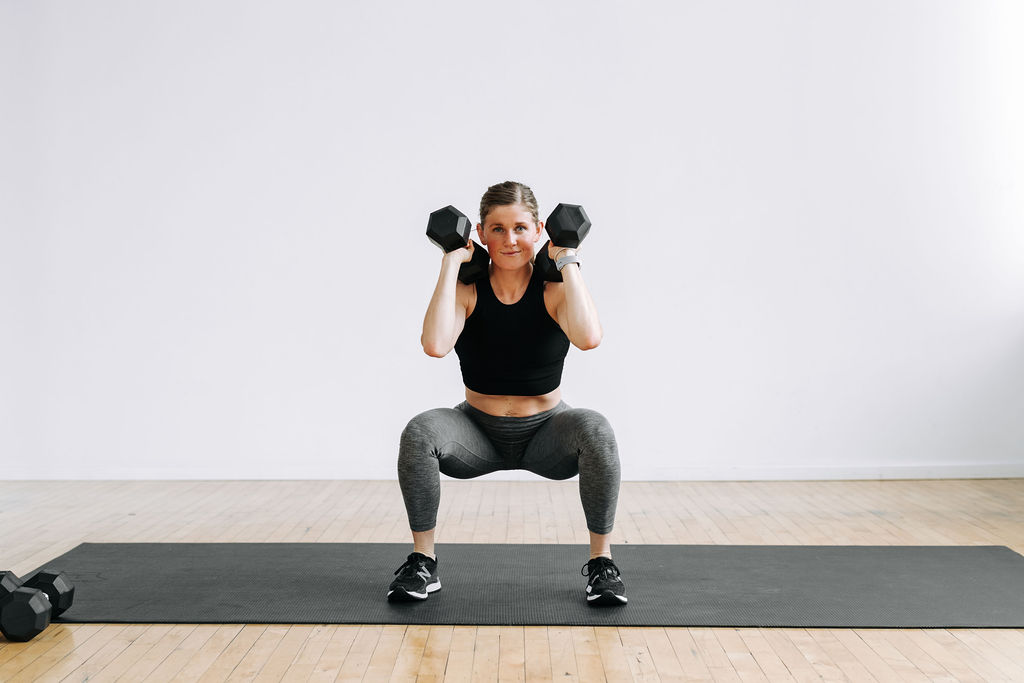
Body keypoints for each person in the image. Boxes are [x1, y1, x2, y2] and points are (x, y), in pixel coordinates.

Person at [389, 180, 625, 606]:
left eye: (520, 227)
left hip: (546, 434)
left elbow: (589, 337)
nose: (509, 239)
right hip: (475, 432)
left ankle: (602, 565)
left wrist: (568, 260)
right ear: (479, 232)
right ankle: (423, 562)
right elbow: (435, 345)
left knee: (597, 430)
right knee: (420, 431)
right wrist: (450, 261)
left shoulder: (554, 289)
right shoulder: (466, 289)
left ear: (539, 230)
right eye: (497, 229)